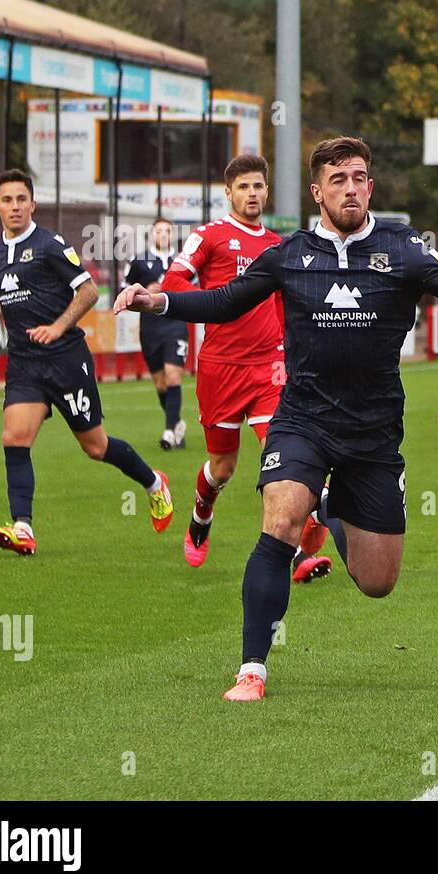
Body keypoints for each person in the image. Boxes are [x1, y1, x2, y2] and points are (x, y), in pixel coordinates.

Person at [116, 136, 438, 701]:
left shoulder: (404, 249)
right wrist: (157, 300)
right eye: (338, 180)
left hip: (375, 434)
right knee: (281, 518)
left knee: (377, 581)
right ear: (317, 192)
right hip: (303, 419)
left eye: (359, 177)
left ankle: (330, 506)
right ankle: (252, 669)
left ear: (371, 186)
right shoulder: (290, 254)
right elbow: (225, 301)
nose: (351, 188)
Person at [0, 169, 173, 555]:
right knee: (14, 437)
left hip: (65, 359)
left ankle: (153, 483)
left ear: (33, 204)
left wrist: (58, 327)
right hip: (25, 364)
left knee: (95, 446)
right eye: (7, 200)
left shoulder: (50, 245)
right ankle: (23, 528)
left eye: (21, 199)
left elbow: (90, 291)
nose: (15, 206)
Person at [160, 154, 328, 582]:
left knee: (282, 457)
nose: (252, 194)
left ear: (266, 192)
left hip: (269, 367)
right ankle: (201, 517)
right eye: (244, 187)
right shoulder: (210, 237)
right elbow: (173, 284)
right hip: (220, 368)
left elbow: (282, 303)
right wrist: (220, 302)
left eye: (258, 186)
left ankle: (293, 551)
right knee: (223, 467)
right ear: (229, 192)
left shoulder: (278, 245)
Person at [124, 217, 189, 449]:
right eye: (159, 231)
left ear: (172, 235)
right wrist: (142, 292)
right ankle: (177, 423)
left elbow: (194, 288)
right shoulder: (139, 260)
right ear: (152, 234)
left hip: (176, 324)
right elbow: (124, 289)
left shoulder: (182, 261)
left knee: (173, 376)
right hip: (150, 328)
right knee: (161, 384)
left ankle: (170, 432)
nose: (163, 235)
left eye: (167, 231)